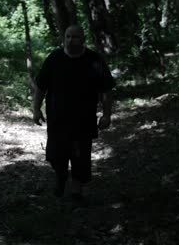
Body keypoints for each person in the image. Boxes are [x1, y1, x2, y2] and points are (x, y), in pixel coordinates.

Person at [33, 24, 116, 202]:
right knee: (56, 156)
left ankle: (76, 194)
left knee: (80, 158)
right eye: (68, 37)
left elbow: (106, 90)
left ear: (83, 39)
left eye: (75, 37)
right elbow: (41, 86)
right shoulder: (54, 58)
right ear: (64, 39)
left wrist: (107, 114)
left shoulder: (94, 60)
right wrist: (36, 109)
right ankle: (61, 176)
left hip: (83, 120)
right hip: (57, 120)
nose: (71, 40)